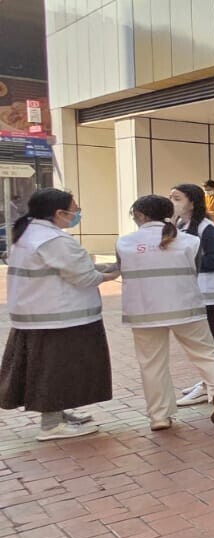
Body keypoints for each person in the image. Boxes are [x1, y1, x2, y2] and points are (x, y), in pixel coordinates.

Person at [1, 188, 118, 441]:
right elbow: (84, 277)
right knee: (57, 369)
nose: (77, 214)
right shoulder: (53, 240)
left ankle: (57, 415)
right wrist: (112, 274)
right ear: (58, 213)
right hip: (59, 318)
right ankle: (52, 424)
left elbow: (64, 268)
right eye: (74, 210)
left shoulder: (28, 233)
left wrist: (99, 268)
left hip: (40, 315)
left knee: (49, 368)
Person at [117, 195, 214, 431]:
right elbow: (195, 270)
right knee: (204, 353)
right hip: (186, 307)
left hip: (143, 312)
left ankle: (159, 416)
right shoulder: (190, 241)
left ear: (139, 215)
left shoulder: (125, 243)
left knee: (152, 364)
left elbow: (122, 269)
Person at [170, 183, 214, 409]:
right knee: (203, 339)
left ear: (192, 202)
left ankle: (212, 385)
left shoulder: (206, 228)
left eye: (177, 198)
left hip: (206, 292)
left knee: (207, 339)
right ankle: (210, 381)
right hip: (194, 291)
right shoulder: (182, 225)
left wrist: (188, 264)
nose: (172, 202)